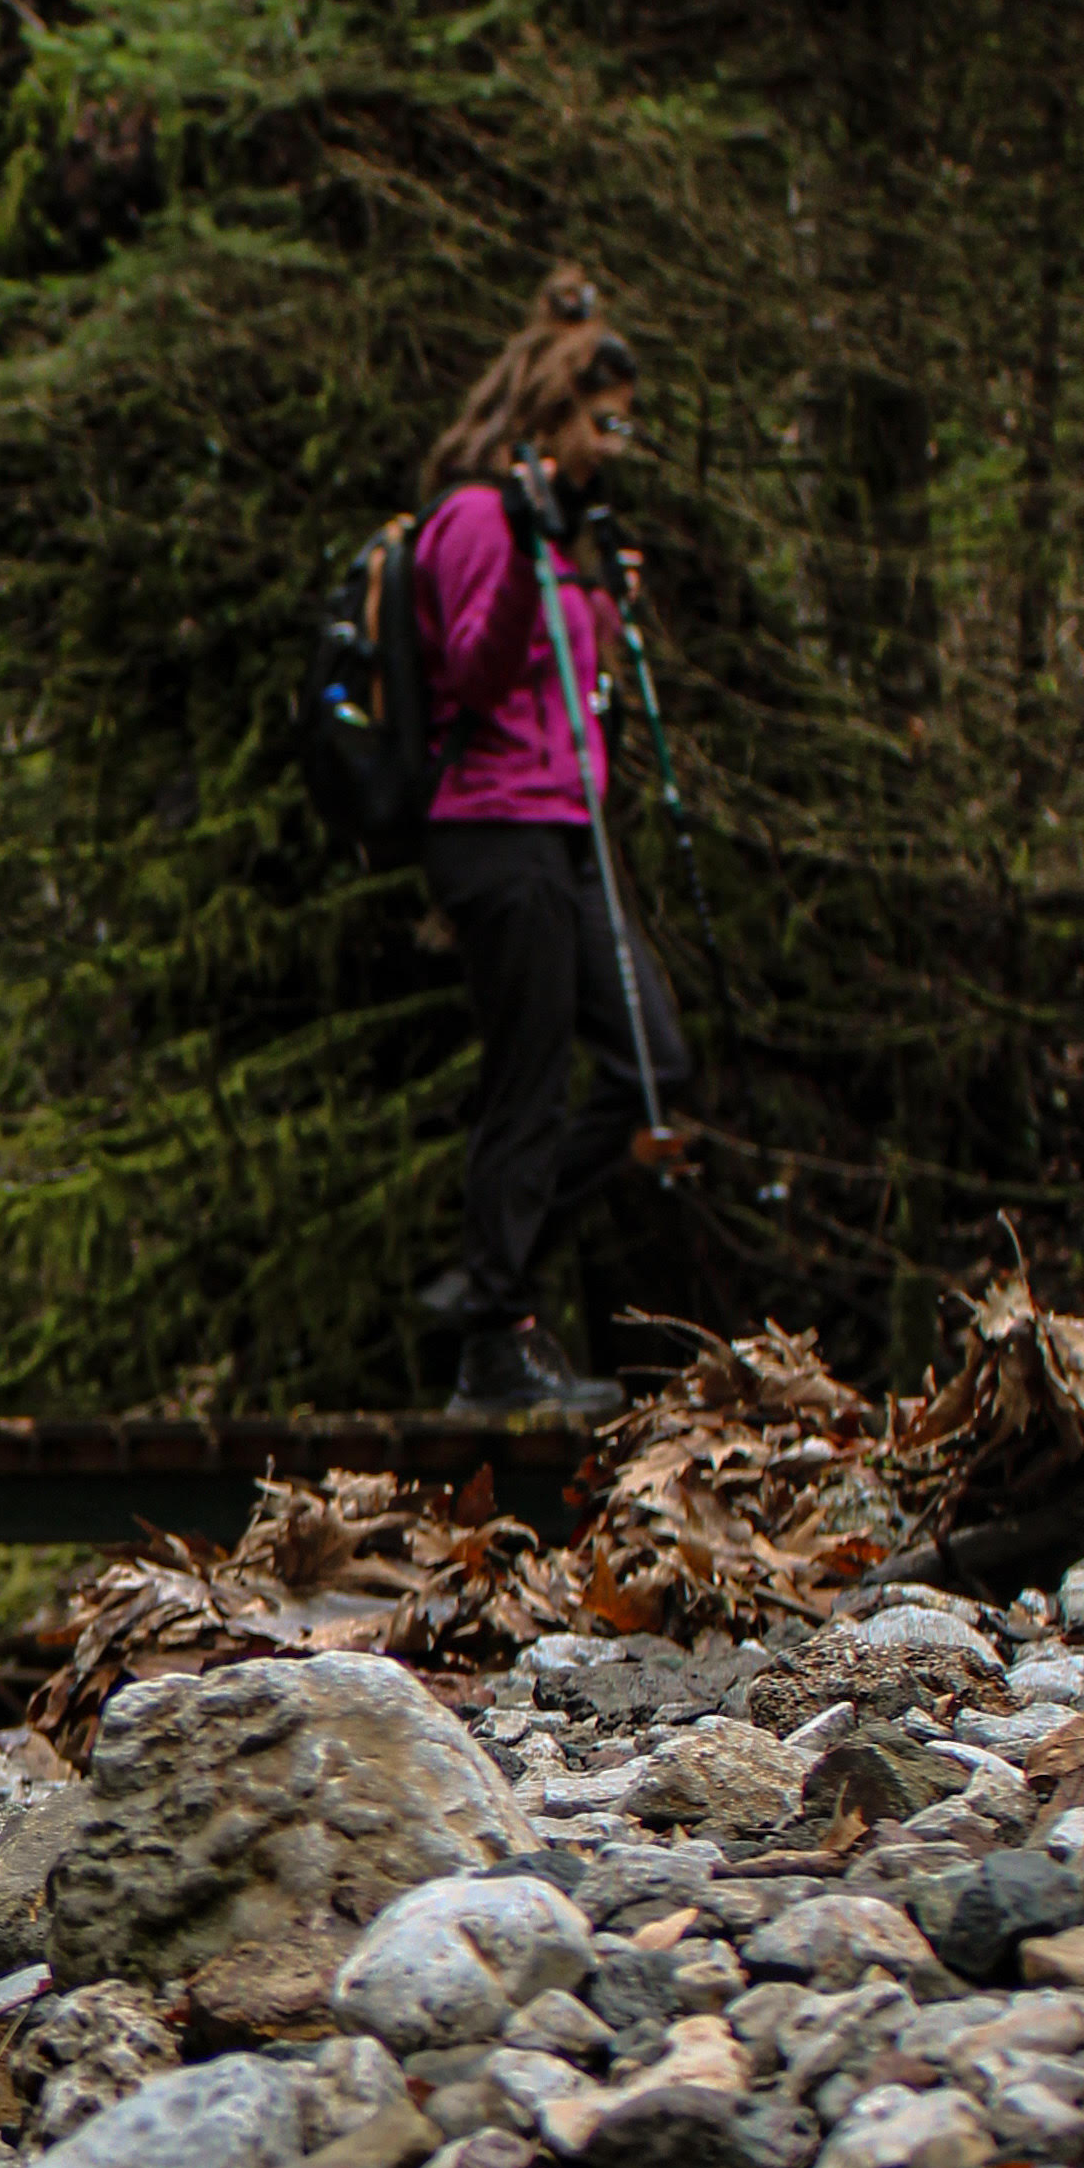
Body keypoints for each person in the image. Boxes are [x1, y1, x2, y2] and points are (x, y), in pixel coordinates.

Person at [409, 268, 693, 1420]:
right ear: (548, 416)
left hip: (568, 827)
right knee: (527, 1085)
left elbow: (578, 683)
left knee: (653, 1068)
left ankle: (489, 1276)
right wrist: (536, 559)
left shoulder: (566, 531)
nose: (611, 446)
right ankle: (494, 1338)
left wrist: (605, 597)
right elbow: (472, 669)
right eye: (600, 422)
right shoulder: (478, 517)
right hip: (496, 829)